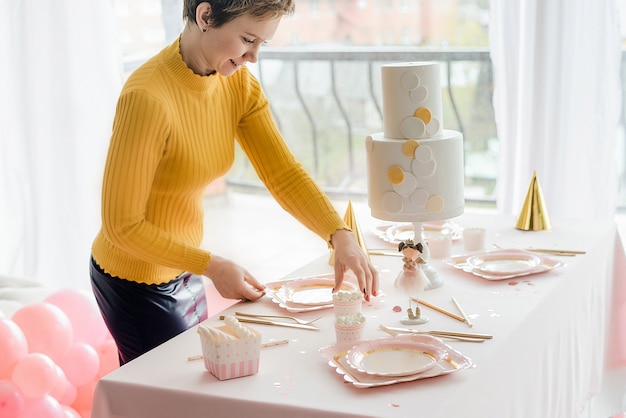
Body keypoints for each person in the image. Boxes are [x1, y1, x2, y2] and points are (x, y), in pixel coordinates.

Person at [90, 0, 379, 365]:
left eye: (262, 44)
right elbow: (122, 226)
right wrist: (211, 265)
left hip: (185, 267)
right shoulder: (147, 97)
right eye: (247, 39)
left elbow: (283, 173)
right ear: (206, 16)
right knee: (170, 396)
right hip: (132, 280)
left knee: (200, 384)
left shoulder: (237, 84)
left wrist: (340, 235)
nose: (253, 57)